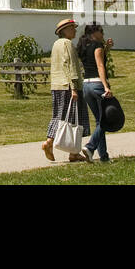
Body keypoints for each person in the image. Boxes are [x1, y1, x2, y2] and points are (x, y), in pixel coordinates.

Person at [41, 17, 89, 162]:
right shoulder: (67, 43)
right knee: (73, 118)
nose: (74, 30)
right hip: (69, 86)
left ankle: (73, 153)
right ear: (64, 31)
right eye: (72, 28)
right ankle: (50, 143)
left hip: (57, 86)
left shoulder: (56, 44)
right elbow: (70, 66)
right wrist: (74, 87)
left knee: (61, 116)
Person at [76, 23, 113, 162]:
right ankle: (90, 147)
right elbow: (100, 65)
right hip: (97, 85)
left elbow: (93, 61)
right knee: (106, 120)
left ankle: (104, 157)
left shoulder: (84, 46)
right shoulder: (97, 46)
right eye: (101, 31)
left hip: (86, 86)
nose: (103, 34)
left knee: (100, 121)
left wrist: (107, 49)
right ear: (94, 33)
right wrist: (106, 86)